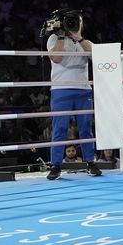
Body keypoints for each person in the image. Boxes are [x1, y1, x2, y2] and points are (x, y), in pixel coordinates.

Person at [45, 9, 101, 180]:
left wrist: (79, 38)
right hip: (61, 89)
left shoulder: (86, 42)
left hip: (83, 90)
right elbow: (56, 58)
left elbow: (97, 57)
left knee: (86, 128)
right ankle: (55, 165)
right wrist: (61, 35)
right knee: (60, 128)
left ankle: (90, 162)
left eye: (79, 21)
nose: (76, 24)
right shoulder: (53, 39)